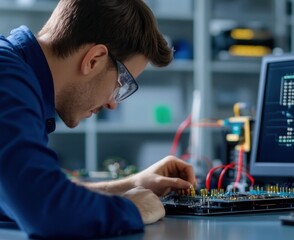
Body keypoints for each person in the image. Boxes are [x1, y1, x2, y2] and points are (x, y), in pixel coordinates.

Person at [0, 0, 196, 239]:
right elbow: (47, 211)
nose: (112, 104)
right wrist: (135, 208)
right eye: (120, 85)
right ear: (94, 59)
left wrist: (130, 184)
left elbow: (21, 196)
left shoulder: (16, 76)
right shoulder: (7, 79)